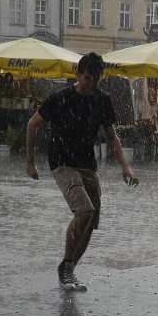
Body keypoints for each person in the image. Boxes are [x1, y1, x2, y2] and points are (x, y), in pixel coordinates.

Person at [26, 52, 139, 292]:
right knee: (84, 210)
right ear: (78, 75)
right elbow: (32, 124)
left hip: (87, 164)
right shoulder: (60, 98)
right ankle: (66, 268)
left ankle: (69, 268)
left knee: (91, 221)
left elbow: (111, 136)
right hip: (62, 162)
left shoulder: (102, 100)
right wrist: (30, 162)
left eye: (96, 79)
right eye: (87, 78)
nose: (91, 84)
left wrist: (125, 166)